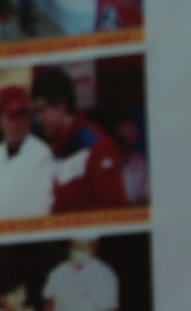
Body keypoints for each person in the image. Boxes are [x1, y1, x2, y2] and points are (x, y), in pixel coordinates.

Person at [32, 65, 129, 214]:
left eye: (41, 110)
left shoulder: (97, 146)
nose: (38, 119)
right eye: (35, 113)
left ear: (61, 105)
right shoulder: (49, 148)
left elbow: (115, 211)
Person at [0, 85, 53, 223]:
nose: (18, 123)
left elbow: (42, 207)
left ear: (29, 119)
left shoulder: (42, 154)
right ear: (1, 121)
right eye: (11, 117)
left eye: (22, 116)